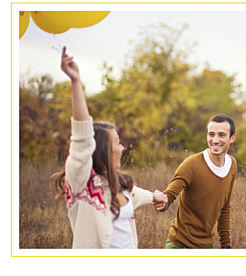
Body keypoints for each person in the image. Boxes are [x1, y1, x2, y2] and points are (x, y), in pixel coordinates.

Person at [51, 46, 167, 249]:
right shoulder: (82, 183)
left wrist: (154, 197)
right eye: (117, 143)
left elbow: (135, 194)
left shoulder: (117, 183)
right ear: (102, 149)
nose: (122, 148)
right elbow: (81, 137)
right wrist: (76, 81)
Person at [156, 114, 237, 249]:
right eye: (211, 134)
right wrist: (162, 202)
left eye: (221, 135)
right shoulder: (191, 164)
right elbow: (170, 194)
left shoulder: (232, 165)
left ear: (232, 138)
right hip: (180, 245)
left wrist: (226, 245)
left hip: (206, 246)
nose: (215, 140)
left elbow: (225, 207)